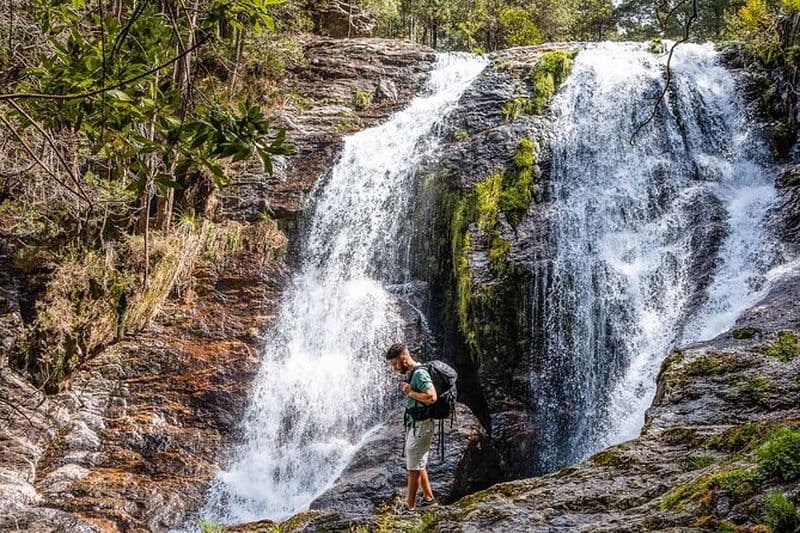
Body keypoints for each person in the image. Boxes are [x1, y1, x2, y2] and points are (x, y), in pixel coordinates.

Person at [385, 342, 438, 511]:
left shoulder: (420, 374)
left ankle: (410, 507)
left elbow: (432, 397)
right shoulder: (414, 372)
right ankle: (429, 498)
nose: (394, 368)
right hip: (416, 424)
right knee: (417, 462)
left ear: (403, 358)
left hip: (422, 425)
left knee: (413, 468)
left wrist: (410, 392)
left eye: (395, 364)